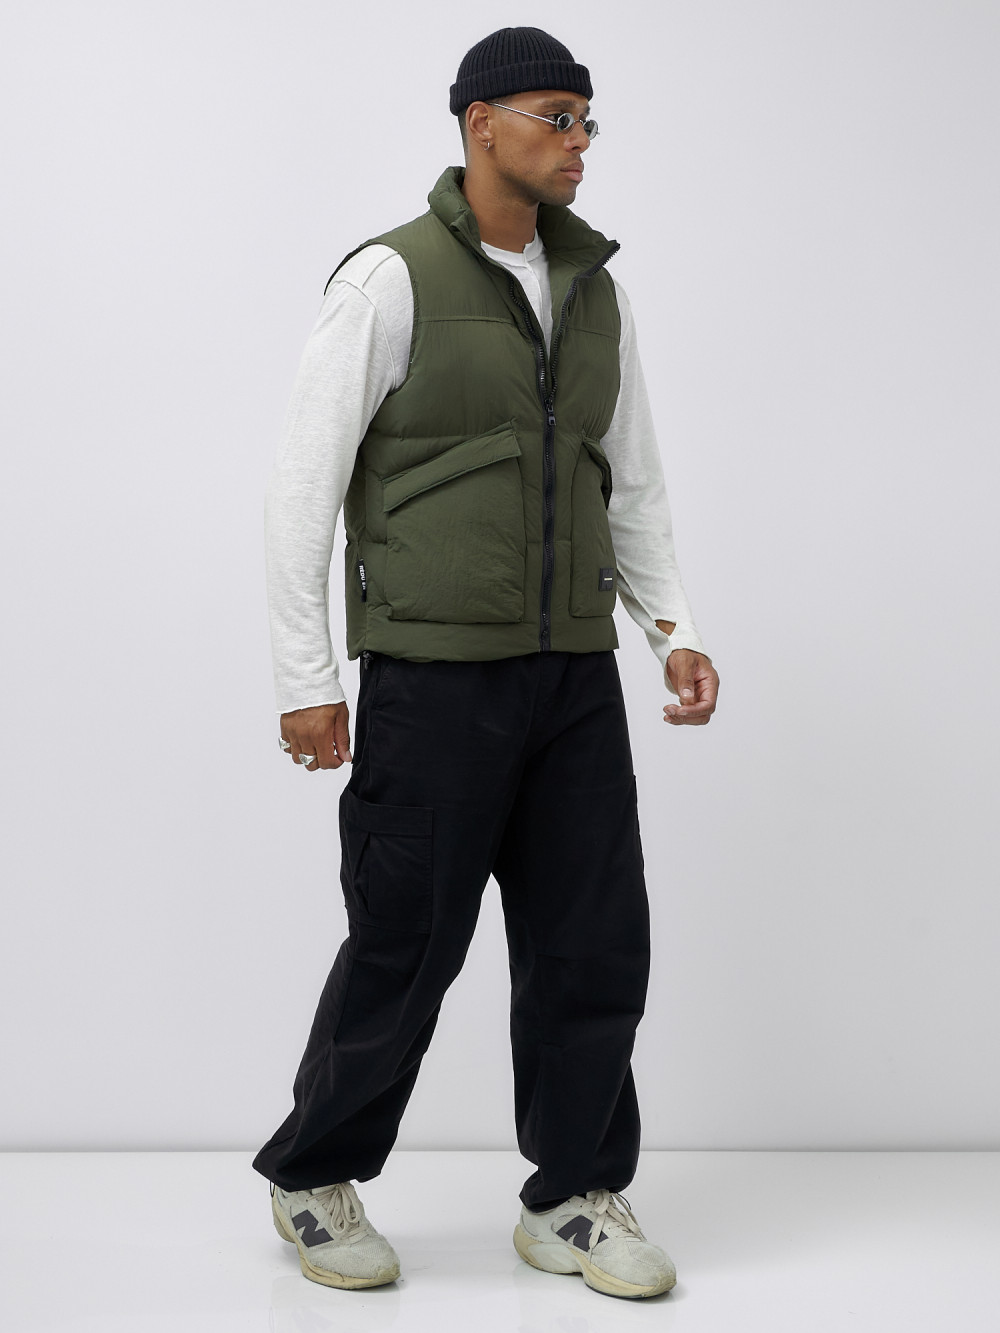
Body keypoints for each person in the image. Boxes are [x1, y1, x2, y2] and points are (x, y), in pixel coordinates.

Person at [252, 25, 719, 1301]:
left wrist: (671, 628)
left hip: (571, 674)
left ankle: (572, 1195)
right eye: (554, 116)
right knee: (405, 940)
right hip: (431, 676)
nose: (578, 142)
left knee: (590, 942)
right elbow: (301, 489)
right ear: (479, 125)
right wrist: (308, 679)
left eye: (586, 120)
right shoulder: (388, 279)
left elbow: (631, 478)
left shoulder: (595, 290)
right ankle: (313, 1175)